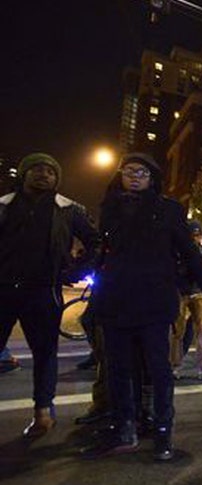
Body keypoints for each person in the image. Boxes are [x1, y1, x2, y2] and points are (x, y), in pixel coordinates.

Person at [81, 153, 202, 461]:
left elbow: (189, 251)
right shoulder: (111, 209)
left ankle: (162, 431)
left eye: (142, 172)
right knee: (118, 368)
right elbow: (103, 251)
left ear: (152, 178)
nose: (135, 176)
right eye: (129, 170)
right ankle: (124, 427)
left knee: (158, 369)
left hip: (153, 301)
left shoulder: (168, 210)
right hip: (116, 299)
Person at [0, 152, 99, 437]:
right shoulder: (5, 206)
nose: (44, 174)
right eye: (37, 169)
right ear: (23, 174)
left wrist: (76, 272)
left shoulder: (69, 209)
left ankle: (43, 411)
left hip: (43, 291)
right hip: (4, 289)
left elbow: (96, 242)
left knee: (45, 353)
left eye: (50, 171)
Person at [171, 220, 202, 380]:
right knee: (178, 331)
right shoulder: (178, 251)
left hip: (198, 293)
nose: (195, 239)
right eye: (193, 235)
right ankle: (175, 365)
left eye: (197, 235)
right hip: (182, 293)